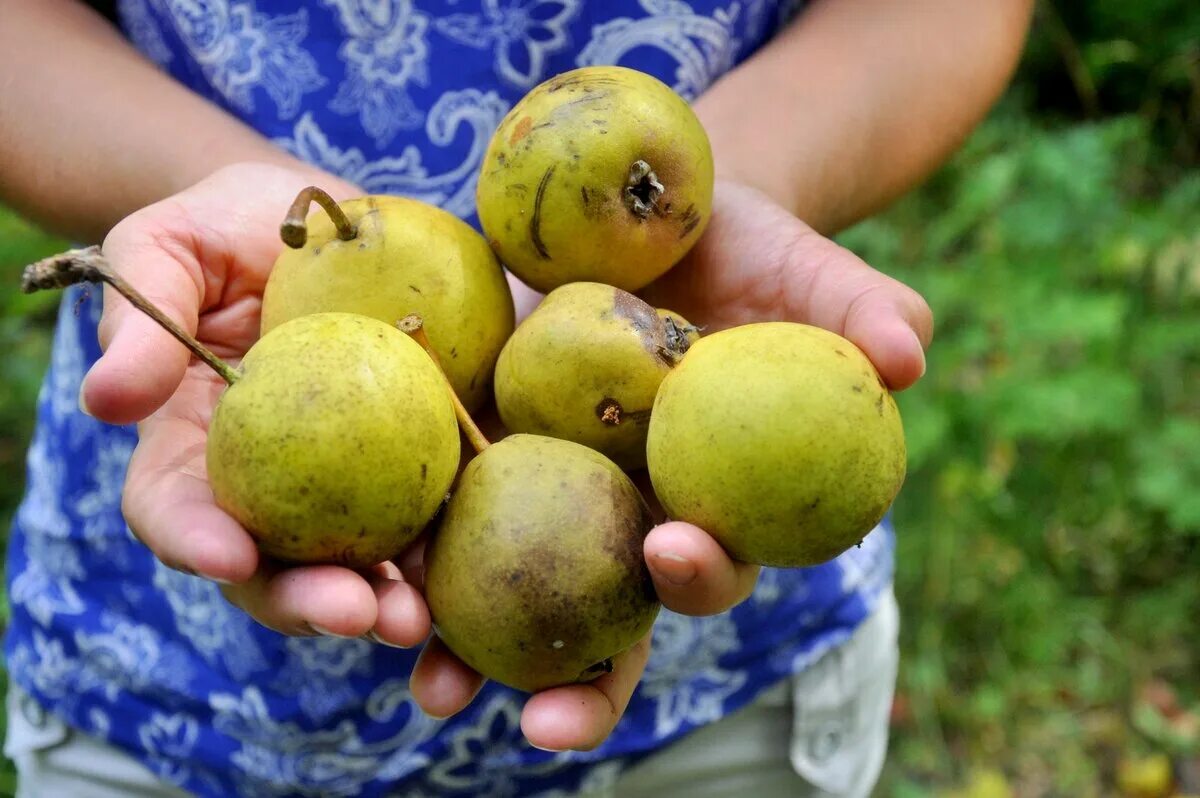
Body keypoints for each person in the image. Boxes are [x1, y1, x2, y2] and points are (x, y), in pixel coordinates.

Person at [0, 1, 1033, 796]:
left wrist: (703, 220)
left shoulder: (673, 371)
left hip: (732, 695)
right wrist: (203, 183)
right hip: (167, 697)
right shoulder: (304, 333)